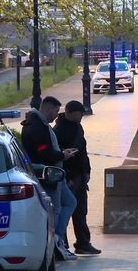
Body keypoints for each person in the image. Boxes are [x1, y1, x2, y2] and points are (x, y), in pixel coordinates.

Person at [21, 96, 78, 260]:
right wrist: (63, 155)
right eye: (55, 112)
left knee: (70, 202)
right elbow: (44, 153)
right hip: (50, 175)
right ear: (49, 109)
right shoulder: (38, 127)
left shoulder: (36, 124)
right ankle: (57, 243)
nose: (55, 116)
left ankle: (58, 241)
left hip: (55, 173)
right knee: (56, 209)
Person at [54, 100, 101, 254]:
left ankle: (83, 242)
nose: (82, 116)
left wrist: (87, 170)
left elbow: (83, 151)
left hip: (80, 175)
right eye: (80, 113)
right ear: (71, 113)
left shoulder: (77, 127)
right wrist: (67, 178)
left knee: (81, 211)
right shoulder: (59, 130)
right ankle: (63, 243)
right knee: (65, 212)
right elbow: (59, 156)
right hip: (69, 178)